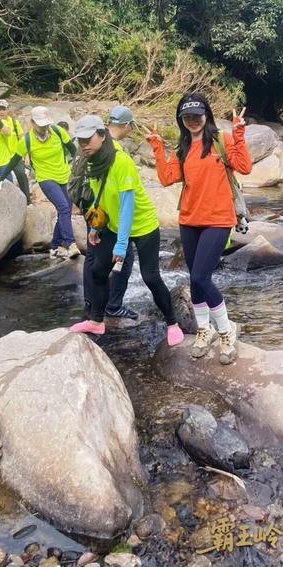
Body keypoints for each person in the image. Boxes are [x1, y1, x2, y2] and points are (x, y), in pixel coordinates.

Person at [147, 93, 253, 365]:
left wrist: (239, 133)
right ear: (182, 120)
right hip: (189, 220)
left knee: (202, 279)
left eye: (197, 115)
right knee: (194, 278)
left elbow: (245, 167)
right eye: (187, 117)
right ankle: (203, 331)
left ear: (207, 116)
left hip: (218, 219)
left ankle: (227, 331)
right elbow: (167, 178)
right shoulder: (182, 149)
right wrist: (158, 148)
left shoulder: (221, 141)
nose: (193, 121)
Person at [69, 115, 184, 346]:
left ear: (102, 136)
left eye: (88, 139)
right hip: (111, 224)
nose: (83, 144)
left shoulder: (121, 162)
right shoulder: (90, 160)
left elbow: (127, 207)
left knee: (150, 276)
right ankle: (96, 321)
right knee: (98, 270)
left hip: (142, 225)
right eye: (80, 140)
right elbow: (97, 197)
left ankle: (172, 323)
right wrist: (95, 227)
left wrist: (122, 244)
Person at [0, 105, 79, 259]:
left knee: (66, 210)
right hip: (46, 178)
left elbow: (74, 151)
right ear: (33, 123)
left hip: (64, 175)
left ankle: (55, 247)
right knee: (63, 207)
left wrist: (79, 169)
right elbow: (14, 160)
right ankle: (70, 243)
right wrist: (2, 177)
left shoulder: (58, 132)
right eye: (41, 124)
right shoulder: (27, 140)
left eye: (46, 124)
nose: (44, 127)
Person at [81, 105, 139, 321]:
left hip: (89, 205)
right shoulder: (113, 150)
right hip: (104, 210)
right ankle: (113, 305)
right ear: (127, 125)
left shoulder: (90, 143)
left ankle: (91, 301)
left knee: (93, 254)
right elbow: (118, 194)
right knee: (125, 256)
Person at [0, 99, 30, 202]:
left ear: (8, 109)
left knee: (22, 176)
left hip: (16, 155)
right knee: (4, 179)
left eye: (3, 109)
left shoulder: (14, 122)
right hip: (2, 157)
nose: (1, 111)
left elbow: (22, 139)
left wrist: (26, 155)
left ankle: (27, 199)